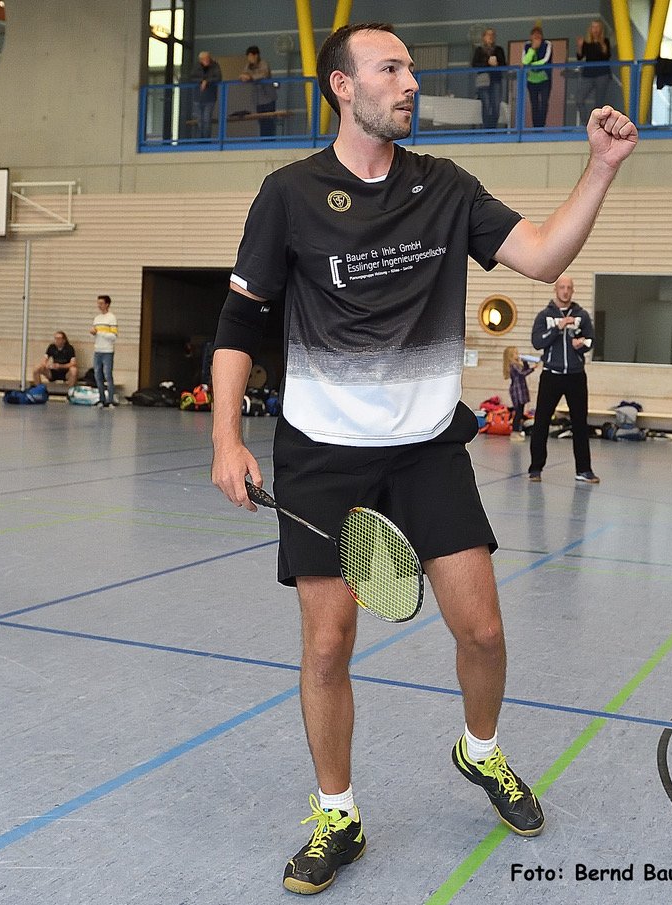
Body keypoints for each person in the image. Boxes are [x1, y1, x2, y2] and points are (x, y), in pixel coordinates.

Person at [209, 21, 636, 895]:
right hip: (323, 453)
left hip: (426, 447)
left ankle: (480, 751)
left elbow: (545, 253)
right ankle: (339, 814)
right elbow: (241, 322)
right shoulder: (288, 193)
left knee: (481, 627)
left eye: (409, 67)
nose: (409, 82)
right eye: (390, 68)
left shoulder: (447, 188)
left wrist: (599, 169)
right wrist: (224, 435)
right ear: (342, 86)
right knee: (328, 644)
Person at [527, 275, 599, 482]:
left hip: (576, 376)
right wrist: (558, 328)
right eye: (562, 287)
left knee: (579, 423)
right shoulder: (544, 316)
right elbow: (537, 342)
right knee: (541, 422)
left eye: (569, 288)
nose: (565, 291)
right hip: (552, 375)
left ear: (573, 291)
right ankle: (535, 468)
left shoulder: (581, 316)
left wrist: (582, 343)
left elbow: (591, 341)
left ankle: (583, 470)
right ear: (555, 290)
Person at [576, 20, 612, 126]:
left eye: (597, 27)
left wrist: (600, 43)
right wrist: (580, 46)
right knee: (579, 99)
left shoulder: (605, 41)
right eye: (593, 27)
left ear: (601, 29)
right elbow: (580, 57)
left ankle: (598, 124)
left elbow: (607, 55)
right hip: (588, 74)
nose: (595, 29)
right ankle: (585, 121)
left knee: (599, 101)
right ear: (590, 29)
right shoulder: (587, 43)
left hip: (602, 74)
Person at [471, 28, 507, 130]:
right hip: (483, 81)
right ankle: (486, 129)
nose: (490, 36)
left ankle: (492, 128)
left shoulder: (499, 50)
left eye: (492, 35)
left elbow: (504, 64)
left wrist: (497, 64)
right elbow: (474, 64)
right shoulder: (479, 50)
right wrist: (487, 63)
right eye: (488, 34)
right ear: (483, 37)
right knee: (486, 105)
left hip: (496, 80)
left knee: (496, 106)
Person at [241, 45, 278, 137]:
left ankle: (270, 140)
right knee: (261, 121)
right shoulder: (248, 66)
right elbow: (243, 74)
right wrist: (243, 77)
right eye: (248, 56)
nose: (250, 58)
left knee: (269, 120)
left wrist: (251, 77)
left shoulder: (263, 63)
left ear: (256, 55)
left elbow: (264, 74)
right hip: (258, 99)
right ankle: (263, 140)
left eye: (252, 55)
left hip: (268, 97)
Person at [523, 26, 554, 128]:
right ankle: (536, 127)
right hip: (531, 80)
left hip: (545, 79)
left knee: (544, 103)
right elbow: (524, 61)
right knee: (534, 104)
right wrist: (533, 49)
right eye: (534, 35)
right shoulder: (527, 46)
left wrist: (532, 65)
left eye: (539, 34)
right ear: (531, 36)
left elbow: (545, 60)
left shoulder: (547, 44)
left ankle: (541, 125)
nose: (536, 37)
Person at [90, 294, 118, 407]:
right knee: (97, 374)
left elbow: (114, 335)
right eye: (98, 303)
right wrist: (93, 334)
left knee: (107, 375)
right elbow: (94, 336)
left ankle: (110, 400)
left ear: (107, 304)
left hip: (107, 350)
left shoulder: (111, 317)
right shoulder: (96, 318)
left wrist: (99, 333)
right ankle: (101, 398)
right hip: (98, 349)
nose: (99, 306)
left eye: (101, 303)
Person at [503, 346, 538, 429]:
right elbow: (522, 374)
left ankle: (518, 428)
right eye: (516, 353)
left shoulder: (516, 365)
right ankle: (515, 429)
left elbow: (524, 370)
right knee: (518, 411)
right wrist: (533, 368)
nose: (518, 355)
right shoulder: (513, 365)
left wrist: (525, 363)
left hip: (521, 389)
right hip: (517, 390)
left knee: (521, 410)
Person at [193, 51, 222, 139]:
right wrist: (201, 81)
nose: (207, 60)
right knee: (200, 121)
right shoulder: (196, 67)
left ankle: (206, 140)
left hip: (210, 98)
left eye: (208, 58)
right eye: (205, 59)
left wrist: (207, 81)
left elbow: (218, 77)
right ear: (200, 60)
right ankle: (200, 140)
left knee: (206, 120)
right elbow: (191, 77)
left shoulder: (215, 66)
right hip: (198, 98)